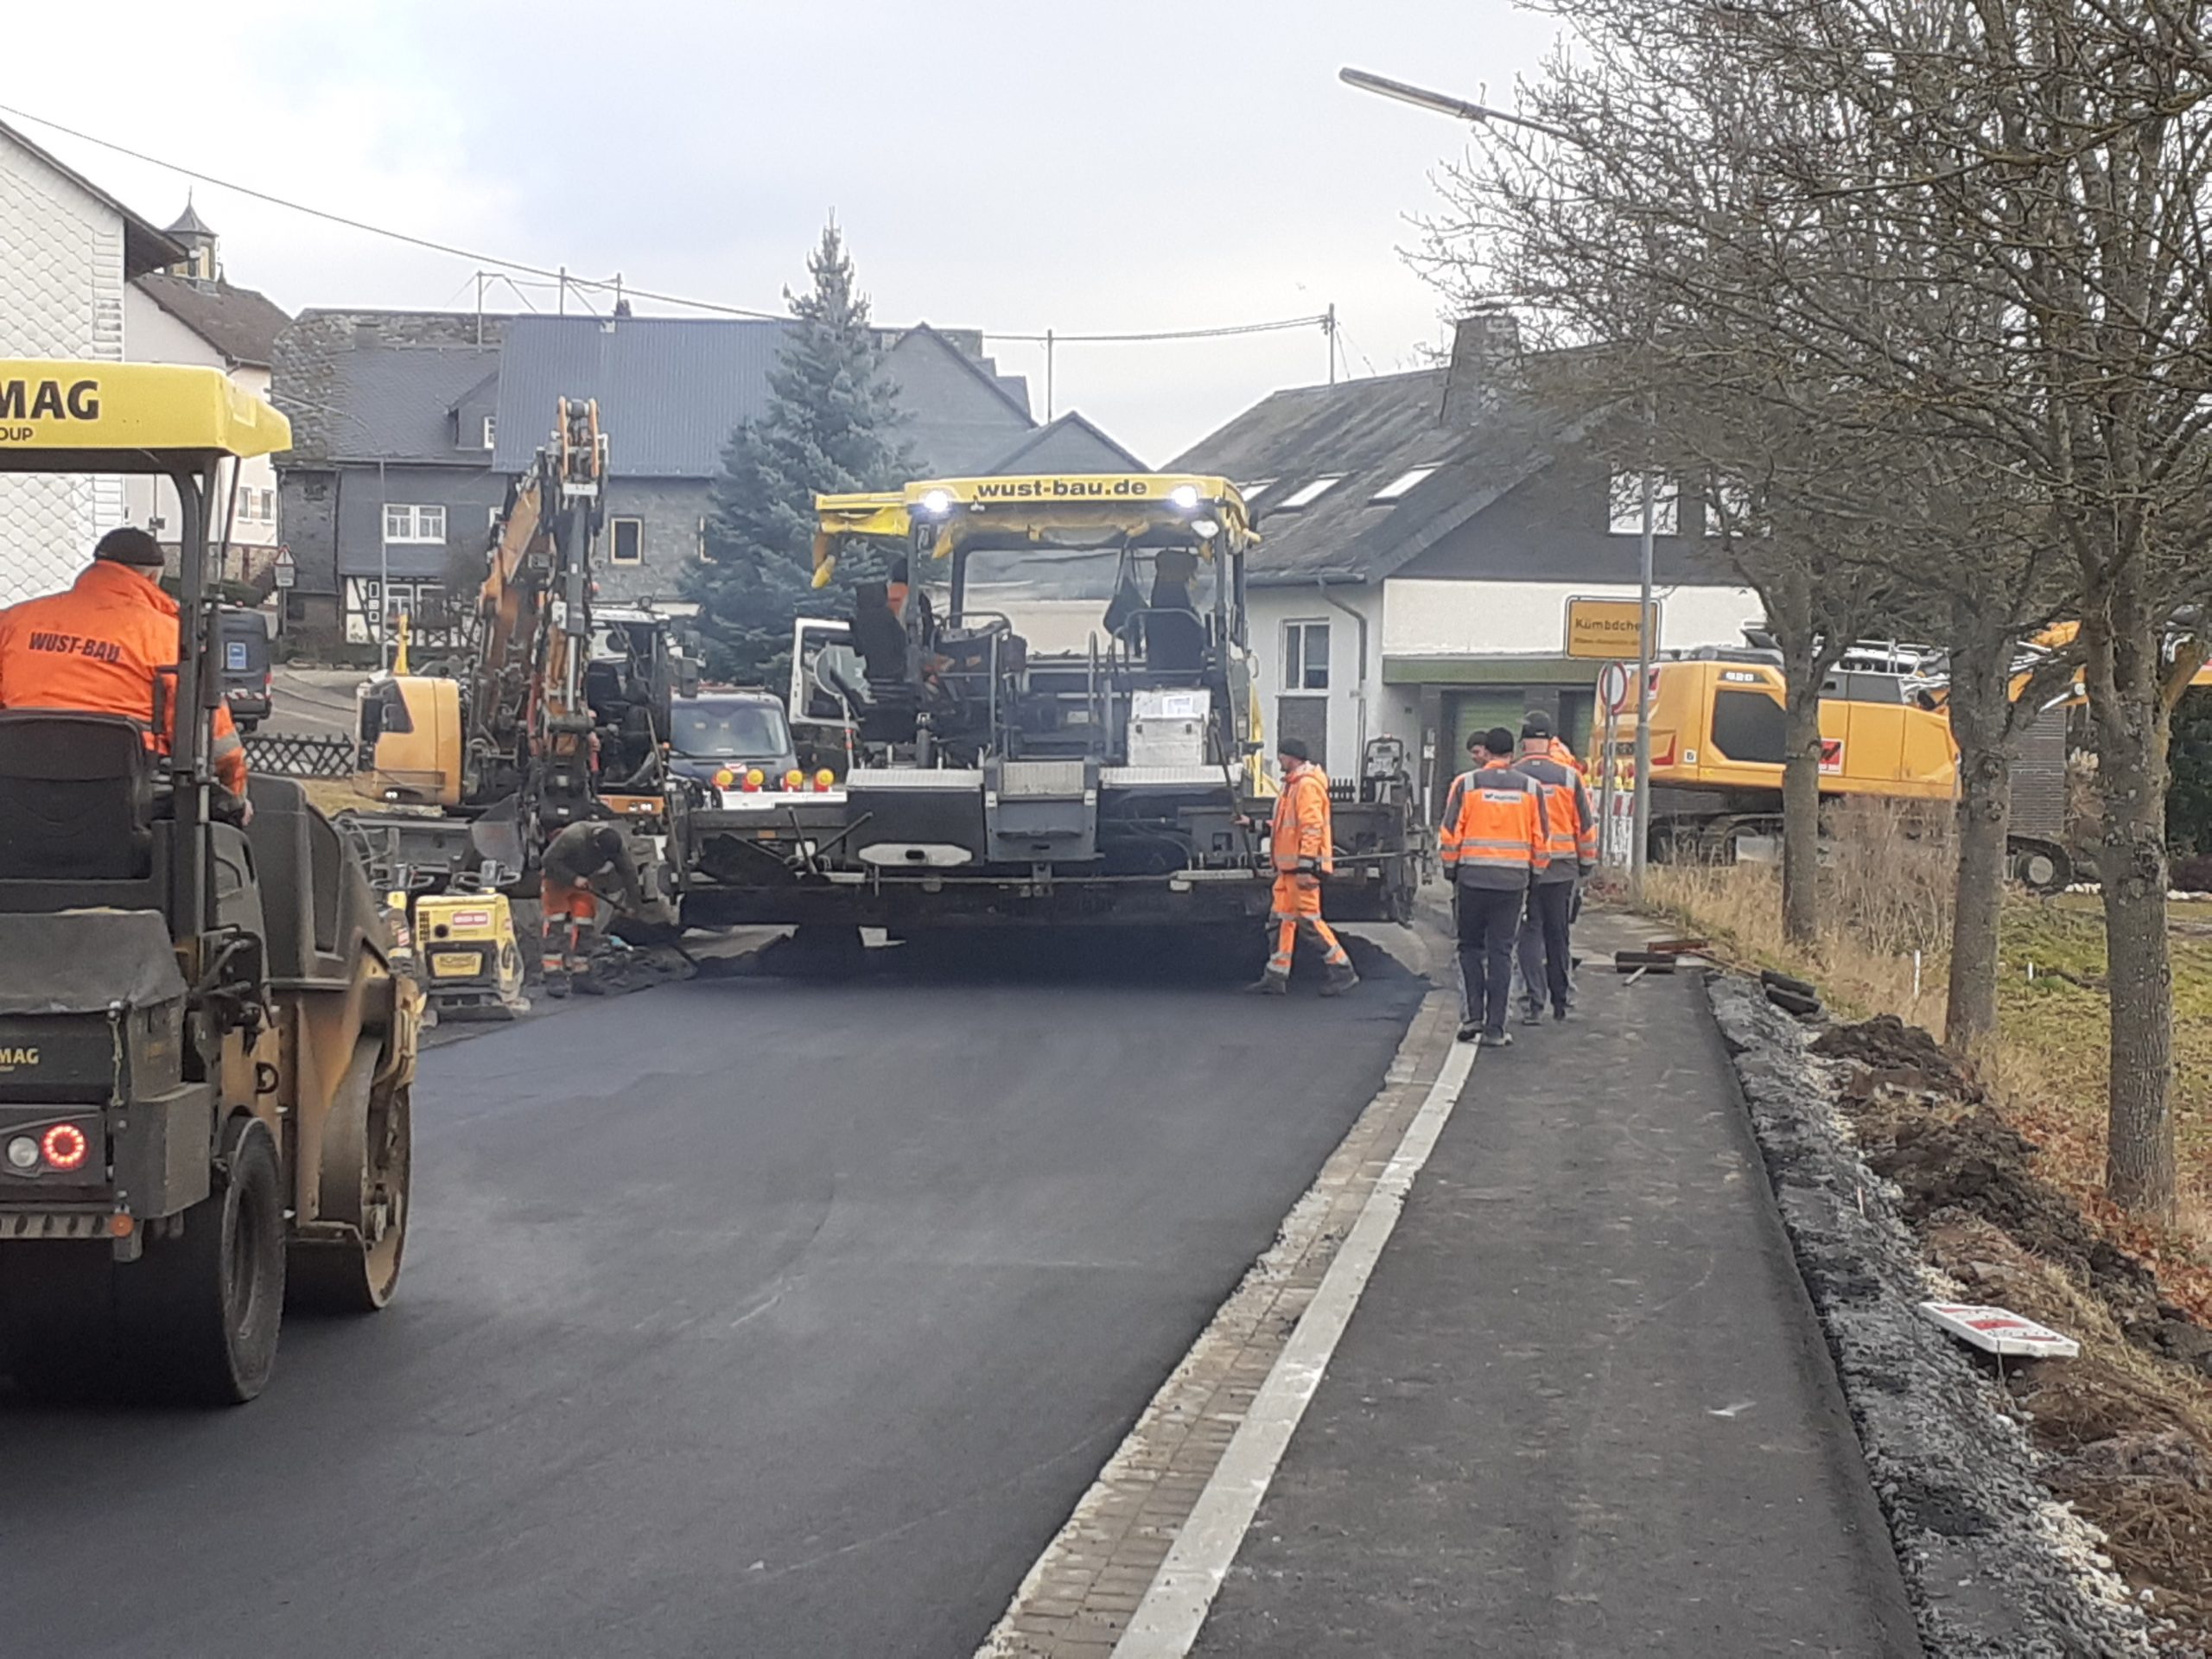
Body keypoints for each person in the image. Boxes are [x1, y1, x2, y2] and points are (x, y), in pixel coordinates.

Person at [0, 526, 251, 816]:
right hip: (126, 808)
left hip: (16, 799)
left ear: (95, 567)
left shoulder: (12, 624)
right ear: (153, 577)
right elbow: (218, 747)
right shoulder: (171, 638)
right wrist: (235, 799)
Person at [1440, 727, 1549, 1046]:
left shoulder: (1467, 784)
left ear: (1486, 751)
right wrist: (1535, 876)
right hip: (1512, 884)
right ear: (1512, 754)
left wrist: (1451, 869)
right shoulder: (1531, 788)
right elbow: (1542, 839)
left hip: (1472, 880)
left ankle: (1473, 1016)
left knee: (1469, 947)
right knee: (1502, 952)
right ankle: (1495, 1029)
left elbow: (1450, 833)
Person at [1248, 736, 1358, 997]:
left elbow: (1312, 828)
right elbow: (1285, 825)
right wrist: (1253, 825)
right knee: (1280, 921)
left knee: (1308, 921)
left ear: (1292, 757)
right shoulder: (1293, 785)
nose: (1279, 759)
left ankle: (1342, 970)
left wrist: (1306, 867)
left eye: (1282, 755)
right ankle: (1276, 975)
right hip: (1289, 871)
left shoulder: (1306, 785)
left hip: (1300, 870)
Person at [1513, 713, 1598, 1024]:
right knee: (1558, 934)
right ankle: (1561, 1002)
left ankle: (1533, 1004)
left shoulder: (1513, 776)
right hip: (1562, 869)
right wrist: (1586, 863)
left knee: (1530, 935)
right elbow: (1585, 827)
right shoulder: (1569, 777)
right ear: (1550, 742)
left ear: (1523, 742)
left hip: (1525, 870)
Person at [539, 820, 644, 997]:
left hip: (584, 882)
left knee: (585, 925)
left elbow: (629, 874)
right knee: (556, 925)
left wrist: (633, 906)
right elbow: (548, 860)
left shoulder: (615, 847)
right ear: (595, 844)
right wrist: (573, 878)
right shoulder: (574, 836)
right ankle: (553, 975)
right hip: (557, 880)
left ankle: (581, 974)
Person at [1142, 548, 1206, 674]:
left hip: (1157, 671)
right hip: (1189, 671)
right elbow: (1200, 642)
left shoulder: (1154, 614)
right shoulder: (1188, 615)